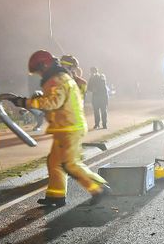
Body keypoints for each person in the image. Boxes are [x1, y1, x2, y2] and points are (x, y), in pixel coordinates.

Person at [8, 50, 109, 207]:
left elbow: (52, 102)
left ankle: (99, 188)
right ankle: (56, 196)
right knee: (54, 161)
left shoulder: (56, 80)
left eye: (39, 70)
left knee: (70, 164)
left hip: (69, 128)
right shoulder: (59, 78)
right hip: (64, 127)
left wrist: (25, 102)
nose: (39, 74)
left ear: (45, 65)